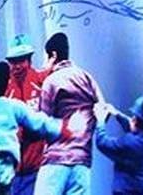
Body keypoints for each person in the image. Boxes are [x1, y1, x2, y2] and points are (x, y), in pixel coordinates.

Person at [0, 61, 66, 195]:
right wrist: (62, 127)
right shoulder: (13, 106)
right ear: (8, 83)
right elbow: (39, 123)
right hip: (8, 170)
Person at [35, 33, 101, 195]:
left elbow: (44, 124)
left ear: (53, 55)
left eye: (45, 58)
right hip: (82, 162)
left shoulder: (51, 81)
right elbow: (101, 110)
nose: (44, 63)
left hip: (56, 161)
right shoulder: (87, 78)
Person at [4, 34, 53, 195]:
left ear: (29, 60)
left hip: (37, 169)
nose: (16, 66)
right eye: (13, 62)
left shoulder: (42, 82)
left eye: (21, 61)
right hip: (12, 174)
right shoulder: (4, 90)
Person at [94, 95, 143, 195]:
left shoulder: (130, 142)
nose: (131, 118)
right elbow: (133, 127)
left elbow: (102, 143)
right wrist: (116, 113)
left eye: (134, 116)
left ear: (136, 120)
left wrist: (100, 121)